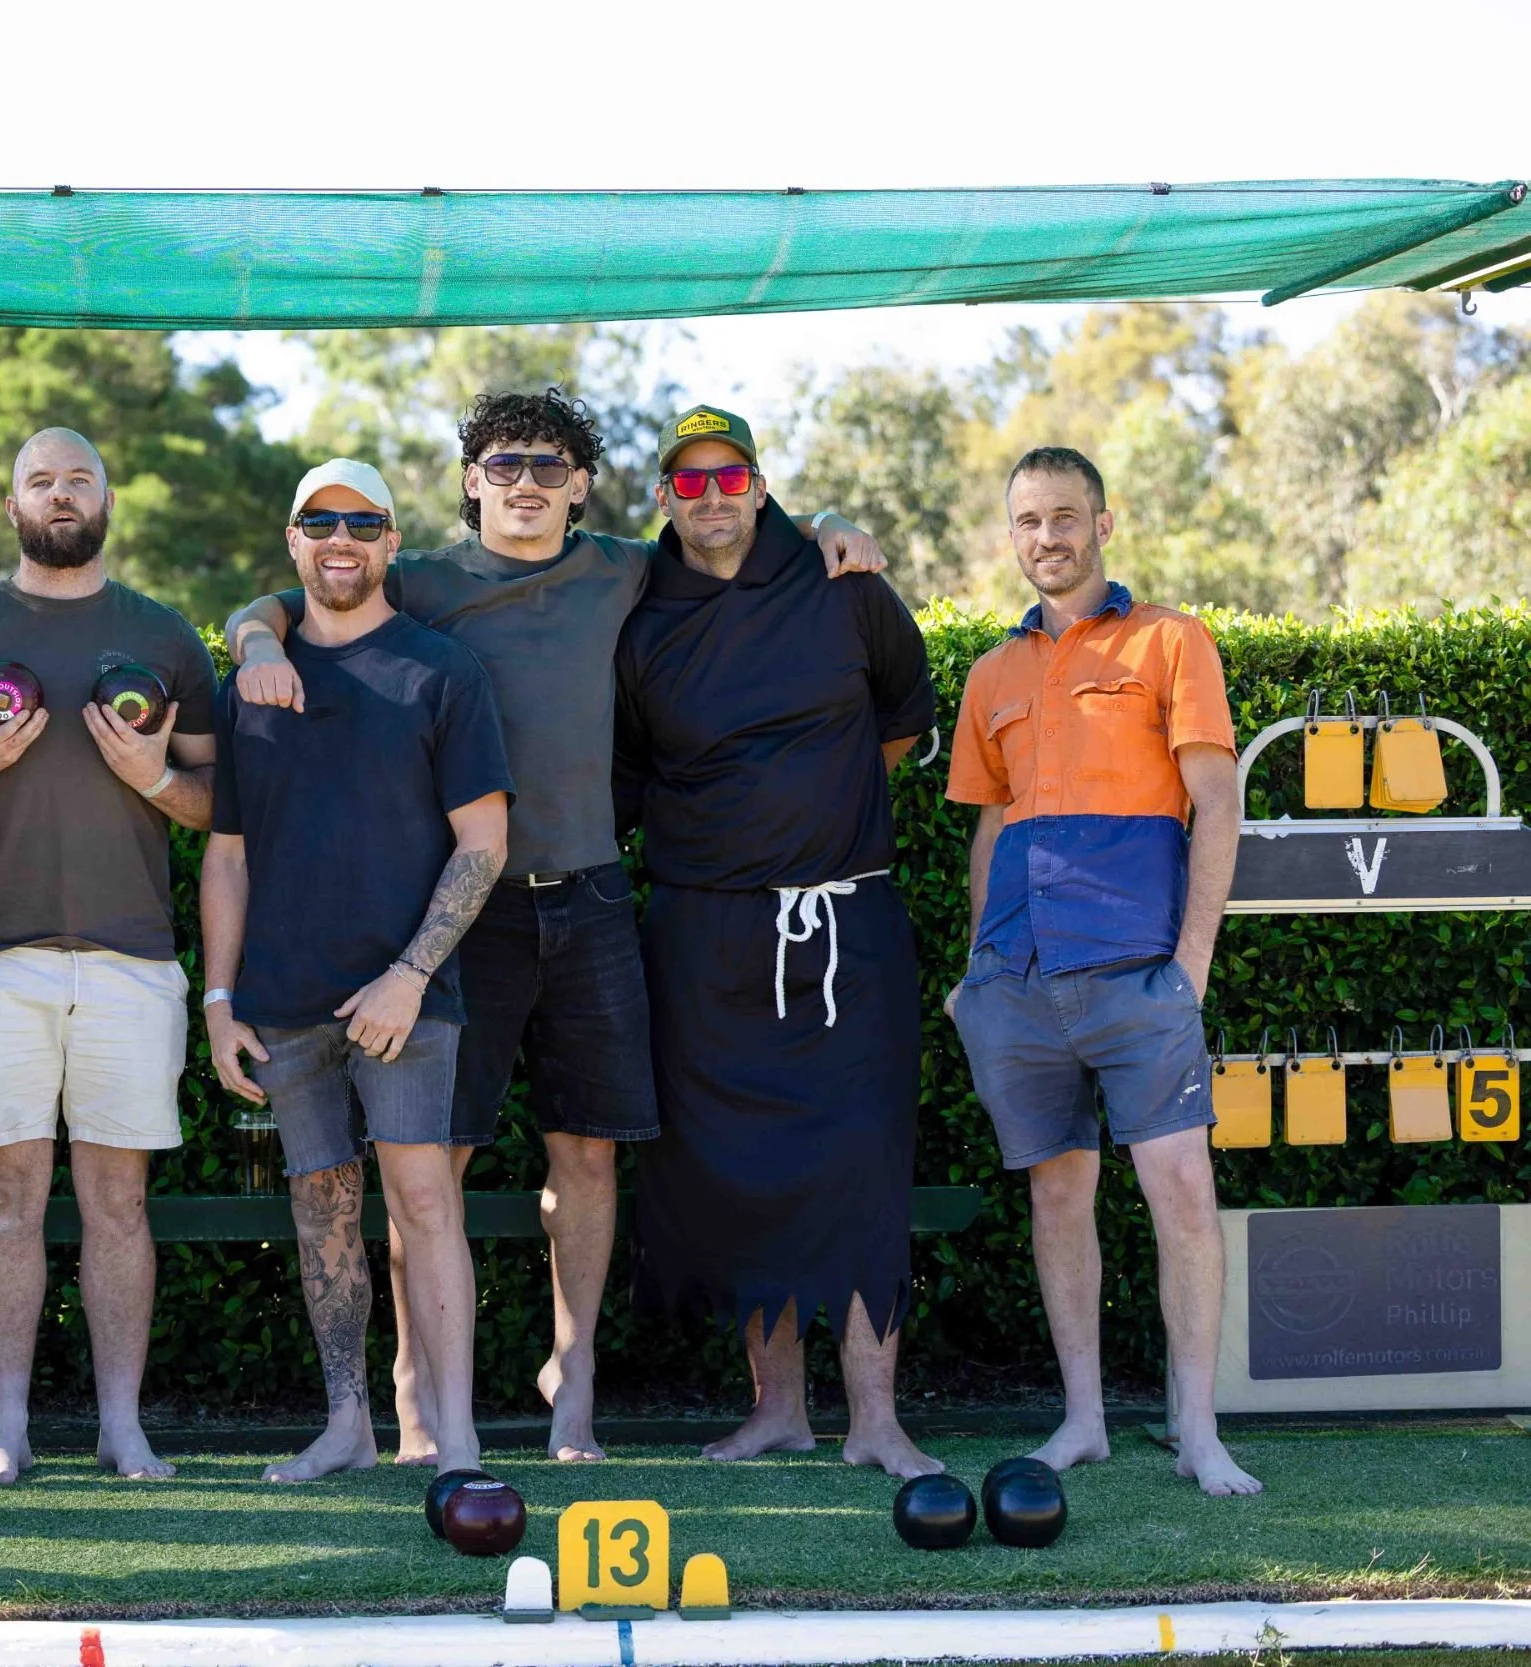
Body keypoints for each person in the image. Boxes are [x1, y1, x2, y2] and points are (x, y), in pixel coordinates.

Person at [223, 389, 887, 1464]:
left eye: (546, 464)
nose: (524, 481)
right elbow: (287, 591)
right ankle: (413, 1399)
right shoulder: (422, 580)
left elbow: (728, 528)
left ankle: (569, 1386)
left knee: (585, 1153)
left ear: (580, 483)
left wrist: (824, 527)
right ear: (471, 480)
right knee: (426, 1161)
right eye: (502, 462)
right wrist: (254, 632)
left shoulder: (623, 566)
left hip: (589, 899)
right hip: (457, 917)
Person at [614, 403, 941, 1479]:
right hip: (703, 936)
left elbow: (903, 717)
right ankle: (779, 1410)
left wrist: (811, 822)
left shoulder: (843, 583)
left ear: (760, 484)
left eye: (729, 477)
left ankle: (877, 1421)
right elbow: (626, 774)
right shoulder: (638, 616)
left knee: (858, 1168)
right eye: (688, 482)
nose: (710, 498)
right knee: (735, 1172)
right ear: (667, 497)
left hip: (847, 923)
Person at [944, 445, 1260, 1497]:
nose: (1047, 537)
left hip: (1139, 978)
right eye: (1028, 519)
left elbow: (1215, 801)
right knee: (1057, 1194)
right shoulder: (990, 672)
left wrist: (1193, 962)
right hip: (1019, 985)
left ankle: (1197, 1431)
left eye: (1065, 516)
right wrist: (973, 970)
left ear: (1103, 522)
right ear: (1011, 532)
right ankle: (1081, 1419)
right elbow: (991, 826)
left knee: (1179, 1190)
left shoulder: (1171, 640)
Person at [0, 426, 219, 1484]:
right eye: (39, 479)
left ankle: (121, 1425)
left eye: (77, 477)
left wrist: (151, 779)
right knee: (4, 1201)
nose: (59, 493)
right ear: (10, 502)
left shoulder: (164, 633)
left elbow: (220, 804)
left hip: (133, 960)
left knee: (119, 1203)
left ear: (107, 497)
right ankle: (6, 1427)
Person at [202, 459, 513, 1485]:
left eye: (362, 521)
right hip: (283, 1000)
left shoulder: (441, 670)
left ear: (391, 542)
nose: (340, 537)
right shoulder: (248, 680)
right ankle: (346, 1423)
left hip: (406, 998)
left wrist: (410, 973)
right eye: (318, 520)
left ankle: (455, 1438)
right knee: (319, 1209)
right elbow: (227, 853)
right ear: (291, 541)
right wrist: (217, 999)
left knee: (424, 1200)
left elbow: (483, 843)